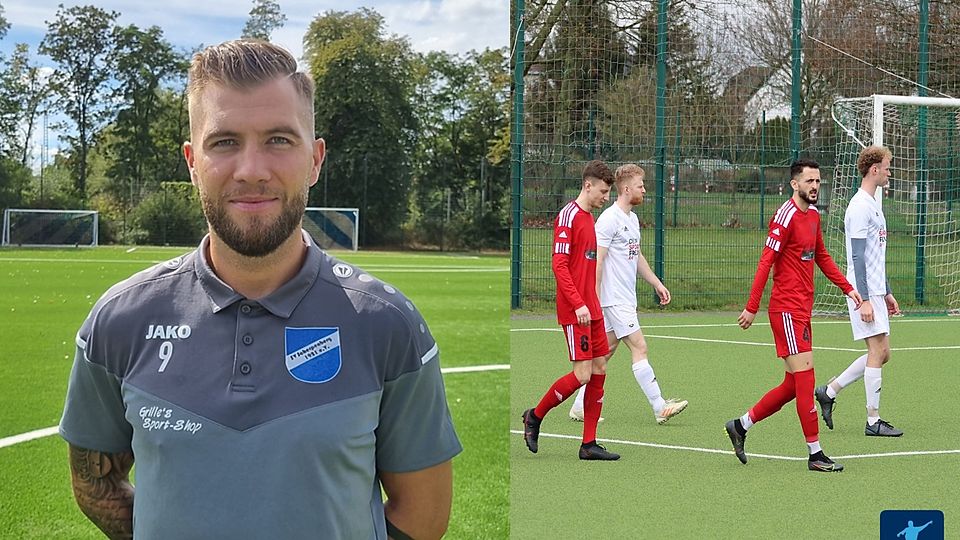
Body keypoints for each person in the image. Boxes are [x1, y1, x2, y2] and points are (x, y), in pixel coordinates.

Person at [59, 40, 461, 540]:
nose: (251, 169)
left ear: (314, 160)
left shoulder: (386, 323)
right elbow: (95, 483)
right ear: (192, 161)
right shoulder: (121, 320)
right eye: (224, 141)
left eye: (278, 139)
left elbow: (423, 514)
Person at [725, 158, 862, 473]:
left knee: (791, 385)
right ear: (794, 184)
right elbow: (765, 261)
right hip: (785, 309)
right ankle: (815, 454)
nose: (815, 186)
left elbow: (822, 256)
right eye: (809, 181)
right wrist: (751, 305)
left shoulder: (813, 215)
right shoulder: (784, 216)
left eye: (817, 181)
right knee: (806, 379)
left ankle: (741, 425)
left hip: (803, 309)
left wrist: (847, 288)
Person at [567, 164, 688, 425]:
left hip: (622, 299)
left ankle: (578, 406)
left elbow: (637, 256)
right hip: (612, 300)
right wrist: (595, 300)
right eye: (641, 185)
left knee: (604, 354)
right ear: (626, 189)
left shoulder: (631, 220)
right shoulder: (609, 220)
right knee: (639, 347)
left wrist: (656, 283)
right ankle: (659, 406)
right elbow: (597, 262)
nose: (644, 190)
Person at [521, 160, 620, 461]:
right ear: (587, 185)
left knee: (600, 368)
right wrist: (578, 303)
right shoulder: (568, 216)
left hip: (593, 308)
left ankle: (588, 444)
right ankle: (534, 416)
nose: (606, 197)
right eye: (603, 191)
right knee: (582, 374)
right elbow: (559, 265)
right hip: (575, 310)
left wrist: (592, 303)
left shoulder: (590, 219)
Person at [815, 145, 903, 437]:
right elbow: (856, 257)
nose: (890, 172)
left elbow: (876, 255)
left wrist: (886, 291)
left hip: (875, 291)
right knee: (877, 351)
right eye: (887, 166)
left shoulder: (874, 204)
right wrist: (864, 298)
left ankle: (829, 391)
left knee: (882, 353)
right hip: (862, 292)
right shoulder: (859, 207)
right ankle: (872, 421)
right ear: (874, 170)